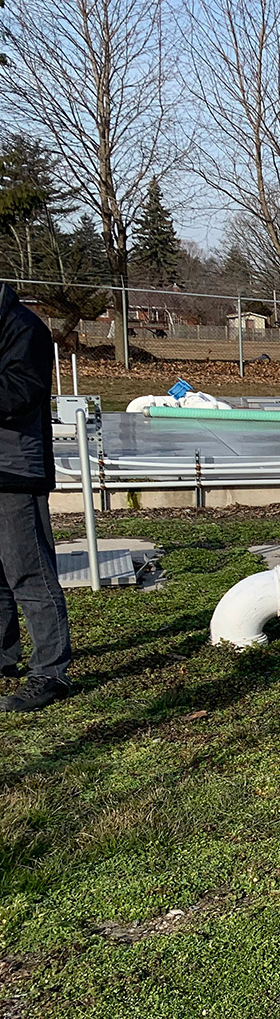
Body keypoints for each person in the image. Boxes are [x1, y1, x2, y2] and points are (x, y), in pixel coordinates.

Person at [0, 283, 71, 712]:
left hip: (15, 470)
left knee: (30, 574)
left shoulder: (25, 328)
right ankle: (4, 658)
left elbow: (19, 393)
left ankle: (50, 672)